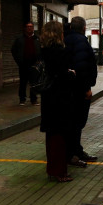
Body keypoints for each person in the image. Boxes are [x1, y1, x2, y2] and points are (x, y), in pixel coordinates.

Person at [38, 21, 76, 182]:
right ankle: (59, 172)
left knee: (51, 135)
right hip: (60, 98)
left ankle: (52, 169)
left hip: (48, 96)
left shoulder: (43, 50)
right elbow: (62, 74)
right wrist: (71, 73)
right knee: (60, 136)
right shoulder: (61, 51)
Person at [63, 16, 98, 167]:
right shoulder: (81, 41)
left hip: (68, 89)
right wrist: (87, 88)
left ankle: (75, 151)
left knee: (72, 122)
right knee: (77, 122)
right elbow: (82, 65)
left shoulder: (66, 39)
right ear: (84, 28)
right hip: (78, 90)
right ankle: (73, 153)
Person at [11, 22, 41, 105]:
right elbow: (14, 50)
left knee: (34, 82)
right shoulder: (19, 38)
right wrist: (18, 60)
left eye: (31, 26)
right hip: (23, 64)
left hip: (34, 64)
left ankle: (33, 99)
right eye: (27, 26)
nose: (29, 28)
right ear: (25, 28)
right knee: (23, 82)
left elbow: (41, 50)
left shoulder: (37, 38)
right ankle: (22, 99)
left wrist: (39, 62)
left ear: (33, 28)